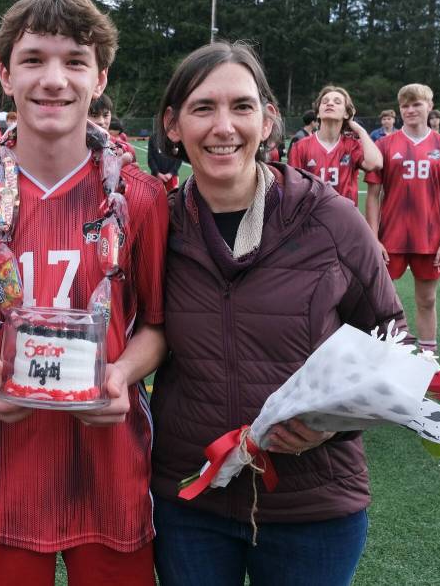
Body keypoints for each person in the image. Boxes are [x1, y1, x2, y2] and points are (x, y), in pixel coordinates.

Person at [0, 0, 168, 586]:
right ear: (5, 75)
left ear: (100, 77)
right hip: (2, 469)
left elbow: (158, 327)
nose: (53, 79)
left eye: (75, 61)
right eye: (34, 59)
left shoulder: (140, 198)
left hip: (110, 465)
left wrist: (122, 375)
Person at [150, 41, 406, 586]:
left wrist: (328, 426)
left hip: (312, 507)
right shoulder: (157, 226)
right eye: (202, 108)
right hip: (191, 501)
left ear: (268, 120)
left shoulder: (330, 219)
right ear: (173, 125)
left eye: (242, 107)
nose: (224, 127)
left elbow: (393, 342)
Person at [366, 83, 440, 355]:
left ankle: (429, 358)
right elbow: (373, 195)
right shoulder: (384, 145)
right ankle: (379, 356)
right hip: (390, 237)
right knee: (380, 302)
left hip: (429, 237)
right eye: (405, 106)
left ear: (430, 106)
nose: (410, 110)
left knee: (428, 300)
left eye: (416, 104)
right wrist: (373, 239)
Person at [287, 86, 382, 206]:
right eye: (325, 101)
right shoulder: (300, 147)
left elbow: (375, 163)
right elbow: (293, 191)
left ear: (347, 113)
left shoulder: (352, 145)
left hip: (345, 220)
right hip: (311, 219)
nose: (330, 104)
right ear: (318, 113)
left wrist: (360, 130)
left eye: (337, 102)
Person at [147, 120, 183, 192]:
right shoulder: (153, 138)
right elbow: (150, 158)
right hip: (156, 176)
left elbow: (179, 159)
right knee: (156, 199)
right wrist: (157, 173)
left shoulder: (177, 138)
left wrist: (171, 173)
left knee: (172, 200)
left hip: (171, 176)